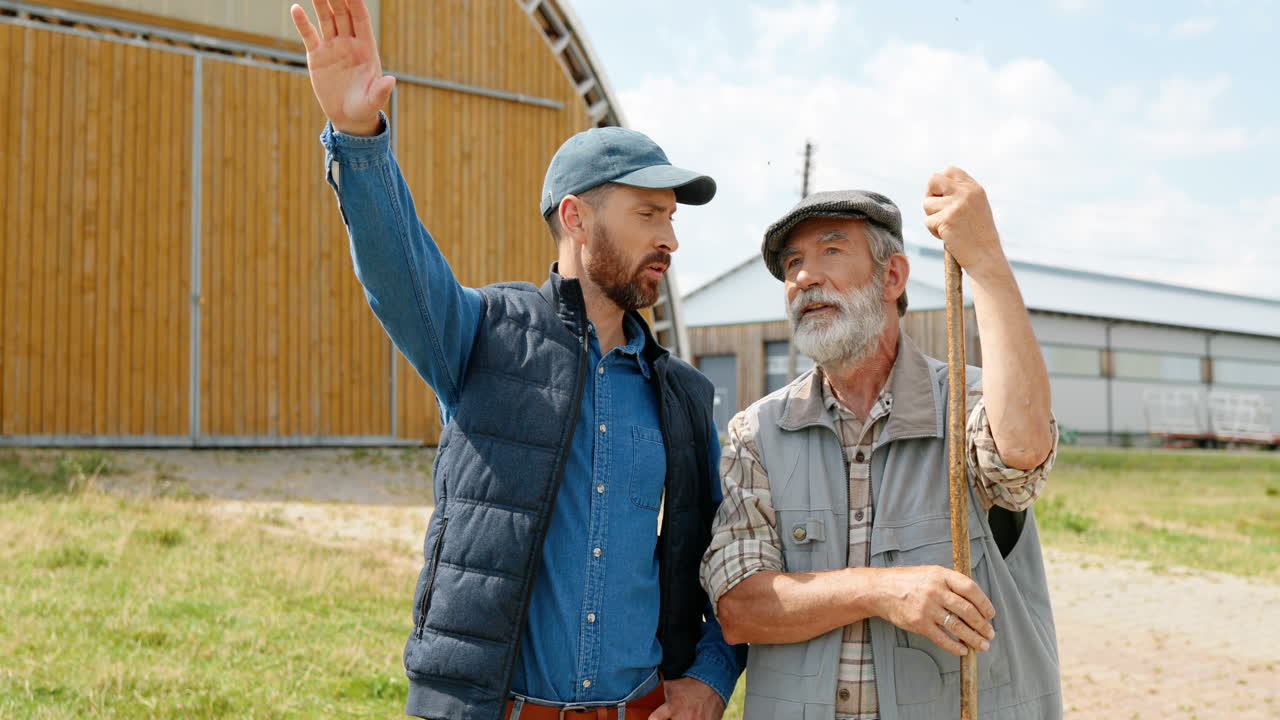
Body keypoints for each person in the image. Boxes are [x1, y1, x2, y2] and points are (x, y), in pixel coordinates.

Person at [288, 2, 742, 719]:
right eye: (648, 215)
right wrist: (358, 137)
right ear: (576, 218)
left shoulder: (682, 393)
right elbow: (397, 270)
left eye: (673, 219)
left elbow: (726, 553)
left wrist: (713, 675)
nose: (671, 241)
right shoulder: (483, 335)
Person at [699, 173, 1063, 720]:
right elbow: (742, 609)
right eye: (792, 263)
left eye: (831, 250)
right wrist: (882, 591)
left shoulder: (967, 406)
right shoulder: (759, 432)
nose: (803, 276)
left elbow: (1022, 452)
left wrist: (984, 260)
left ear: (892, 276)